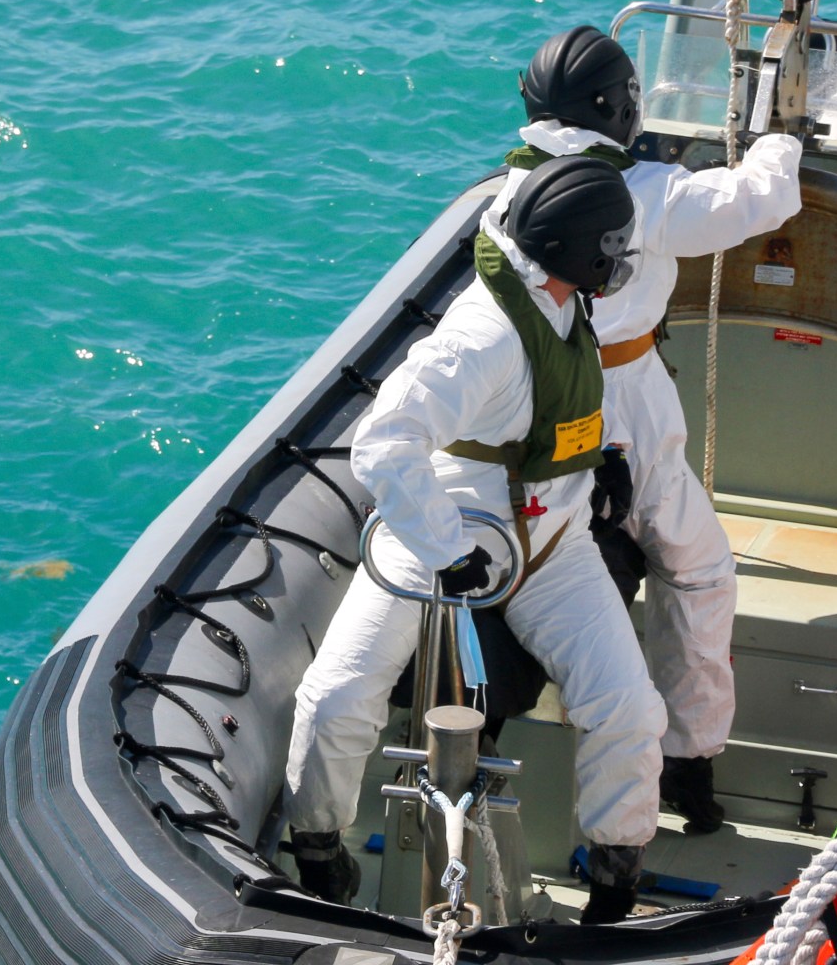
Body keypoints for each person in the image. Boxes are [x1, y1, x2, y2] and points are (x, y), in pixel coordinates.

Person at [282, 153, 667, 924]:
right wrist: (444, 549)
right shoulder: (482, 338)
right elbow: (386, 440)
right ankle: (319, 852)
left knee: (628, 708)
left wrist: (611, 456)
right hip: (446, 538)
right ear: (578, 255)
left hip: (551, 545)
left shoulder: (560, 301)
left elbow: (571, 395)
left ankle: (615, 886)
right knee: (335, 697)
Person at [505, 25, 803, 832]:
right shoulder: (648, 192)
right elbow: (759, 200)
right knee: (698, 569)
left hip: (526, 399)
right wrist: (779, 141)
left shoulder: (507, 188)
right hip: (624, 398)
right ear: (619, 106)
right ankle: (689, 758)